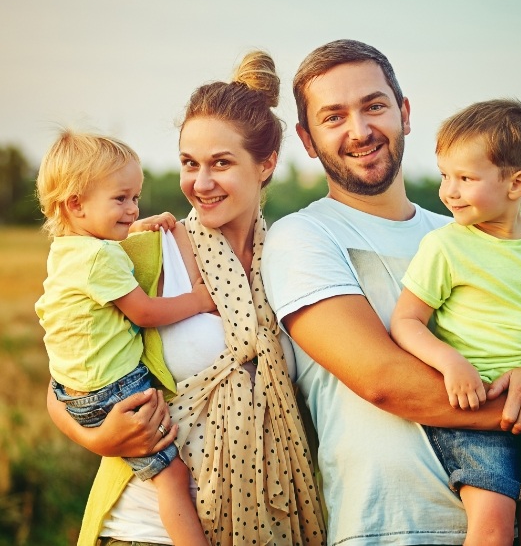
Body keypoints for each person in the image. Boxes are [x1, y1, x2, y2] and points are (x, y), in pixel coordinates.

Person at [260, 39, 521, 546]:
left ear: (405, 113)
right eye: (334, 117)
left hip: (513, 520)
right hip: (390, 525)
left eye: (374, 106)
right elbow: (384, 380)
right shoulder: (302, 237)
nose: (361, 129)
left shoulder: (471, 229)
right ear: (307, 139)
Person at [46, 51, 326, 546]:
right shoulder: (139, 254)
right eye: (189, 164)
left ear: (266, 165)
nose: (200, 183)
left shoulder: (295, 260)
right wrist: (95, 438)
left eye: (221, 163)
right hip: (146, 530)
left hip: (272, 524)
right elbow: (67, 369)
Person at [390, 99, 521, 546]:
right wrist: (451, 363)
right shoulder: (446, 247)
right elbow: (406, 321)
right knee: (493, 528)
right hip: (476, 416)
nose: (448, 191)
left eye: (466, 178)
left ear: (517, 184)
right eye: (445, 175)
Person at [36, 130, 215, 546]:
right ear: (76, 204)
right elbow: (145, 312)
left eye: (135, 198)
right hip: (115, 391)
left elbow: (106, 257)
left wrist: (133, 227)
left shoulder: (68, 250)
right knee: (172, 478)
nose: (132, 207)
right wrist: (198, 300)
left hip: (73, 391)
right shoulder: (100, 257)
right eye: (121, 200)